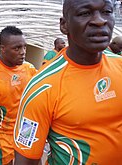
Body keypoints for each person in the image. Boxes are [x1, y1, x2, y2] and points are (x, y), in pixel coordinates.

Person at [14, 0, 122, 165]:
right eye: (85, 13)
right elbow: (26, 160)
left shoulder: (120, 66)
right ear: (64, 25)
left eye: (107, 11)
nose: (100, 20)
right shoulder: (41, 87)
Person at [0, 26, 37, 165]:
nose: (23, 52)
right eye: (17, 48)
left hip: (27, 131)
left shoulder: (31, 70)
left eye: (24, 47)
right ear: (3, 48)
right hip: (1, 137)